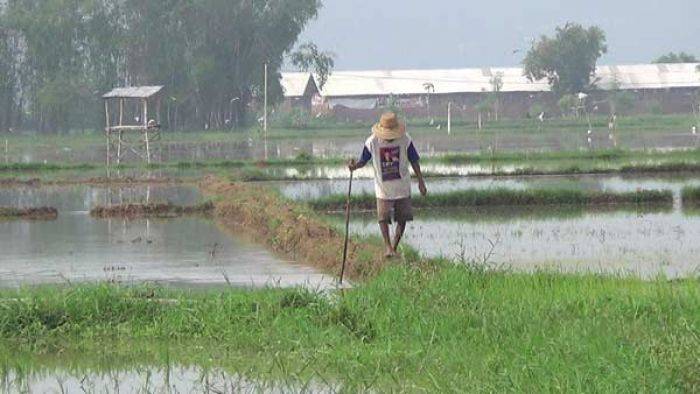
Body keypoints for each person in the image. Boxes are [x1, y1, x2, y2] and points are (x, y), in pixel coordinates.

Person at [348, 112, 427, 258]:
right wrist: (354, 167)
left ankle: (394, 247)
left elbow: (414, 161)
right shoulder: (372, 142)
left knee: (403, 218)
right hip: (383, 188)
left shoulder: (405, 139)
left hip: (402, 186)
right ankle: (388, 247)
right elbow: (363, 161)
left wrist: (421, 182)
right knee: (383, 217)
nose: (390, 138)